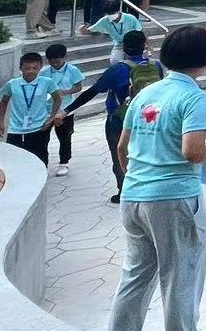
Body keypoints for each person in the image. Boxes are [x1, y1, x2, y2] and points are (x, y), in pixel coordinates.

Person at [99, 24, 206, 331]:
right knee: (181, 275)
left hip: (134, 196)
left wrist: (137, 180)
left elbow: (122, 148)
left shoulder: (146, 93)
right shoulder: (193, 98)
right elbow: (192, 150)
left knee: (135, 277)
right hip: (174, 198)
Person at [56, 30, 163, 203]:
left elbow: (92, 92)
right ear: (144, 45)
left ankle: (124, 192)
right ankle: (149, 188)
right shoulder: (156, 66)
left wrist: (66, 110)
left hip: (119, 120)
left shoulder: (117, 70)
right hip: (149, 118)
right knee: (147, 152)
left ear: (124, 48)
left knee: (119, 154)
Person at [0, 50, 62, 166]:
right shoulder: (12, 83)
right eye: (27, 68)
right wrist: (0, 123)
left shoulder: (47, 82)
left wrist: (51, 118)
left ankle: (41, 175)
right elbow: (4, 102)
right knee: (13, 156)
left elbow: (57, 99)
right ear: (20, 68)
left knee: (40, 156)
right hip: (16, 127)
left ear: (40, 67)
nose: (31, 71)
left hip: (39, 126)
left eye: (35, 68)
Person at [40, 42, 85, 178]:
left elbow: (78, 87)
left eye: (57, 61)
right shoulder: (45, 72)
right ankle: (43, 163)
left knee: (64, 137)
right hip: (48, 109)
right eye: (51, 61)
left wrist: (65, 92)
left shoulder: (73, 70)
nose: (54, 64)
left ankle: (64, 162)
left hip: (65, 109)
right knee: (43, 138)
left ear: (65, 57)